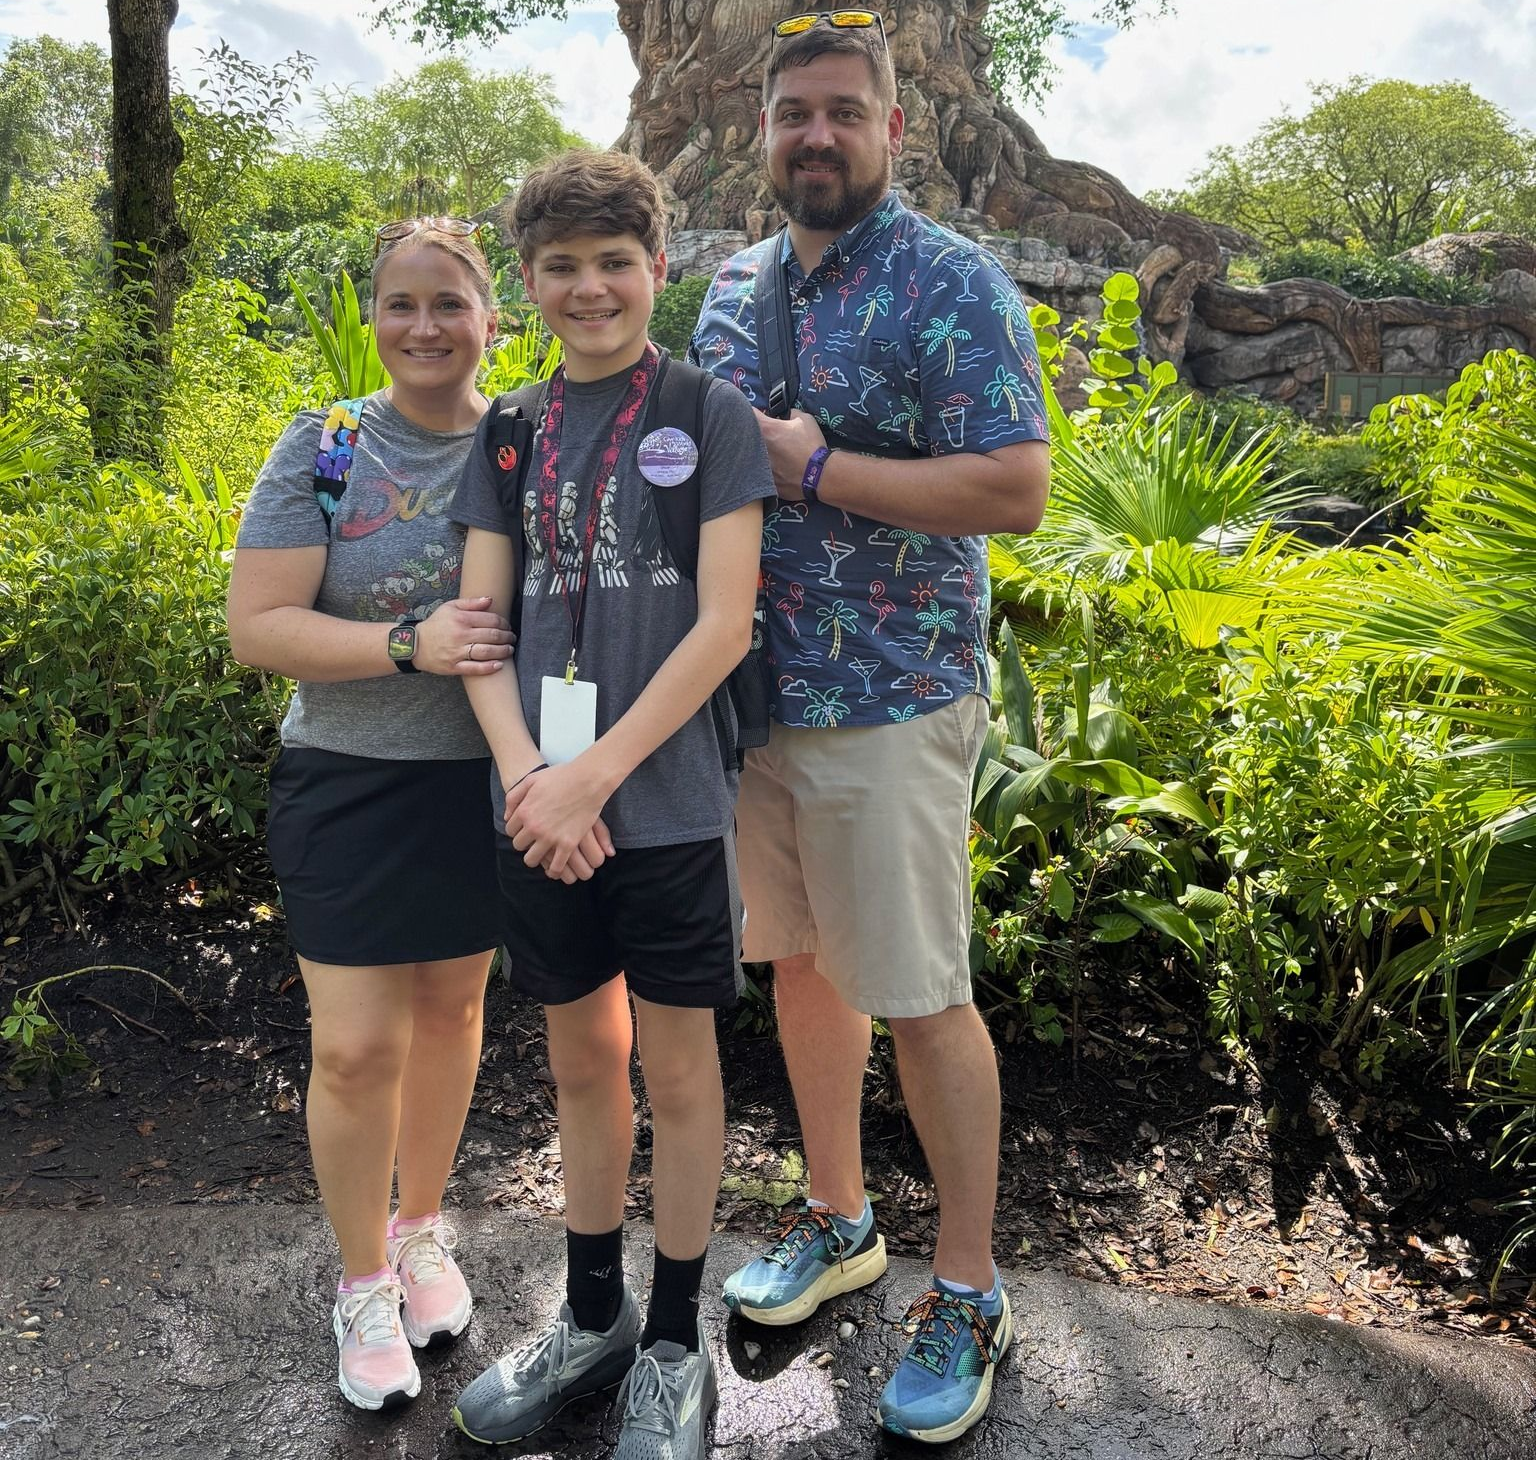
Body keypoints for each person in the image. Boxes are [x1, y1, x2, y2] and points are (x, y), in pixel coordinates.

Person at [689, 10, 1050, 1445]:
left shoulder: (953, 285)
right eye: (795, 114)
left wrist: (823, 469)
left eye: (844, 111)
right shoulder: (728, 286)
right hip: (751, 695)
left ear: (894, 128)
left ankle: (967, 1286)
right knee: (799, 972)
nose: (817, 135)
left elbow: (1015, 488)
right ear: (763, 132)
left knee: (918, 990)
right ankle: (840, 1221)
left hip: (891, 699)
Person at [446, 149, 774, 1459]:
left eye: (616, 262)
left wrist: (595, 773)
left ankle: (676, 1345)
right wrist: (537, 777)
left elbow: (725, 626)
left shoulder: (709, 412)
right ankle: (591, 1318)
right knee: (584, 1063)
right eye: (564, 267)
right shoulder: (511, 429)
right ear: (530, 282)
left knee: (683, 1076)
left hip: (670, 810)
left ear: (660, 266)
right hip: (537, 808)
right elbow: (479, 630)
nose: (592, 288)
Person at [226, 217, 512, 1412]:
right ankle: (358, 1281)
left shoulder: (525, 439)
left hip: (481, 780)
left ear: (491, 317)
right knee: (354, 1043)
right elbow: (259, 626)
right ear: (375, 314)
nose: (424, 326)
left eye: (448, 302)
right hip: (344, 779)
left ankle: (420, 1229)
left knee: (452, 1012)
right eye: (401, 303)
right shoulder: (328, 444)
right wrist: (408, 643)